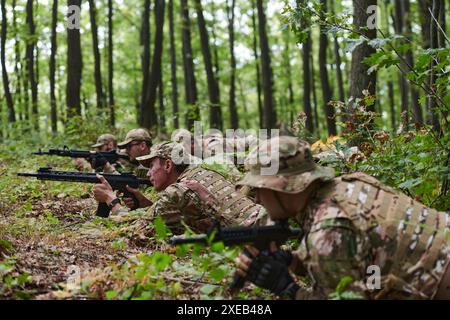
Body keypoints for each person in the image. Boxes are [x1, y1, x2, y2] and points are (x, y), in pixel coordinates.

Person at [234, 135, 449, 300]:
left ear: (281, 187)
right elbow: (362, 260)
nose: (258, 198)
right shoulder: (350, 185)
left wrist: (287, 288)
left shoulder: (327, 231)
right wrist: (294, 262)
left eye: (259, 189)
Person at [92, 141, 266, 233]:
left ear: (168, 165)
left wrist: (110, 199)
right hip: (265, 223)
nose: (149, 173)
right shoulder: (204, 172)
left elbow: (132, 229)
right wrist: (146, 203)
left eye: (152, 166)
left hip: (251, 239)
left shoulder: (177, 192)